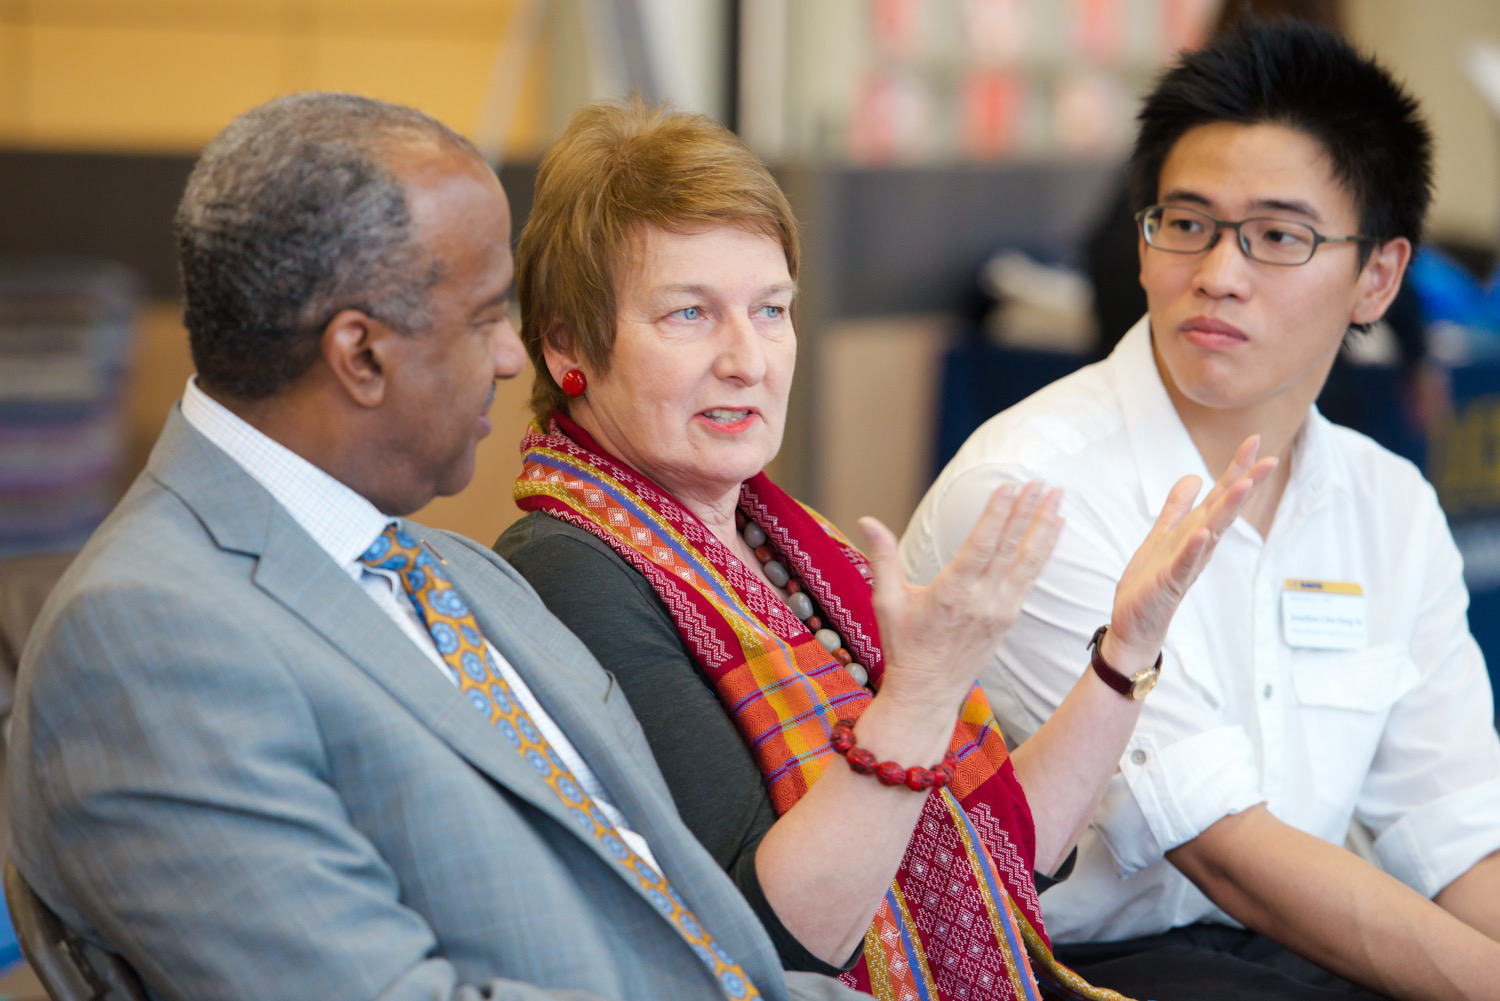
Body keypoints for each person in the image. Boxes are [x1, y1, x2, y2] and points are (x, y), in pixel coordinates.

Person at [5, 92, 873, 1001]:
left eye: (772, 310)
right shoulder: (150, 639)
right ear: (362, 355)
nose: (512, 356)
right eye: (483, 317)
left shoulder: (459, 572)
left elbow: (706, 937)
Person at [494, 101, 1273, 1001]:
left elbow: (1011, 852)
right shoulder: (568, 567)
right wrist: (922, 693)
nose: (749, 358)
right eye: (689, 315)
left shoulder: (783, 537)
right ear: (565, 344)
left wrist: (1127, 647)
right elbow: (779, 941)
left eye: (771, 309)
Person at [901, 20, 1500, 1001]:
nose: (1218, 272)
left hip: (1292, 951)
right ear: (1140, 245)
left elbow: (1457, 832)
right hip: (1070, 968)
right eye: (1185, 223)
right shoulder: (1034, 486)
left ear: (1379, 278)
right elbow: (1219, 848)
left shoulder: (1386, 502)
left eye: (1277, 236)